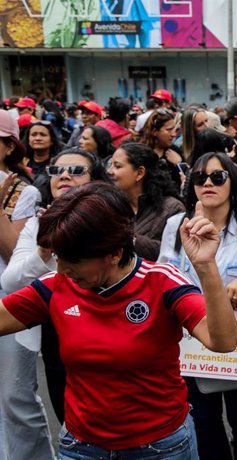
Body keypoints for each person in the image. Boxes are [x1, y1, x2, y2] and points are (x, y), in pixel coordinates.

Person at [0, 181, 237, 459]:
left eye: (73, 260)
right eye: (58, 257)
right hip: (80, 447)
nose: (62, 269)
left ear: (114, 253)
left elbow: (222, 341)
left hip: (161, 447)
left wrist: (205, 265)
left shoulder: (161, 282)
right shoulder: (56, 285)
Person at [158, 152, 237, 460]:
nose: (208, 183)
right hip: (189, 343)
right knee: (203, 422)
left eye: (217, 177)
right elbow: (163, 276)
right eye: (199, 177)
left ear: (233, 183)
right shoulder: (176, 226)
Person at [2, 148, 110, 426]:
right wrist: (43, 251)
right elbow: (11, 281)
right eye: (56, 171)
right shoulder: (38, 224)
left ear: (95, 180)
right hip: (56, 332)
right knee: (68, 419)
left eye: (76, 171)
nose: (64, 176)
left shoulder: (111, 219)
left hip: (107, 329)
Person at [0, 110, 49, 460]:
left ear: (7, 147)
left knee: (14, 394)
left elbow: (12, 254)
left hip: (10, 300)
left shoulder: (22, 190)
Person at [107, 141, 185, 261]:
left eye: (117, 166)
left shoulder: (172, 208)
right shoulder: (110, 204)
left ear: (139, 173)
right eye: (110, 165)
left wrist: (130, 238)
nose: (110, 171)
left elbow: (173, 255)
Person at [140, 108, 185, 191]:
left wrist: (179, 164)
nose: (174, 134)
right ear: (154, 132)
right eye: (169, 130)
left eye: (174, 129)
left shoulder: (175, 151)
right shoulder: (141, 152)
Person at [22, 120, 62, 185]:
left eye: (43, 135)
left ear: (52, 140)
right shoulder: (22, 162)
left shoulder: (58, 164)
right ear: (28, 139)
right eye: (33, 135)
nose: (38, 138)